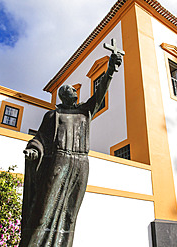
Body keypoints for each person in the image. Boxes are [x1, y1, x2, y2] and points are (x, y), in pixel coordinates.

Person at [19, 52, 122, 247]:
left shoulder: (85, 111)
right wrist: (34, 150)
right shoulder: (52, 115)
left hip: (81, 162)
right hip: (60, 161)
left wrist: (110, 70)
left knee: (70, 213)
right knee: (45, 210)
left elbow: (100, 92)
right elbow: (40, 138)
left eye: (73, 91)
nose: (73, 93)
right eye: (68, 91)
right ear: (63, 97)